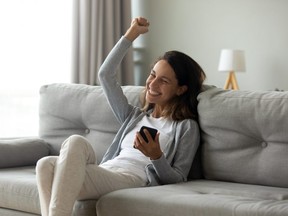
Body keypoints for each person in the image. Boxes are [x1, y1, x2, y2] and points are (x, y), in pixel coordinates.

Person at [36, 17, 206, 216]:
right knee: (45, 164)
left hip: (131, 178)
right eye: (152, 75)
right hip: (107, 170)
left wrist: (156, 155)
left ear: (181, 89)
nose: (152, 84)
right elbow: (105, 75)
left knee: (66, 150)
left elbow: (178, 178)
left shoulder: (186, 127)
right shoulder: (133, 116)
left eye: (164, 81)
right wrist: (131, 34)